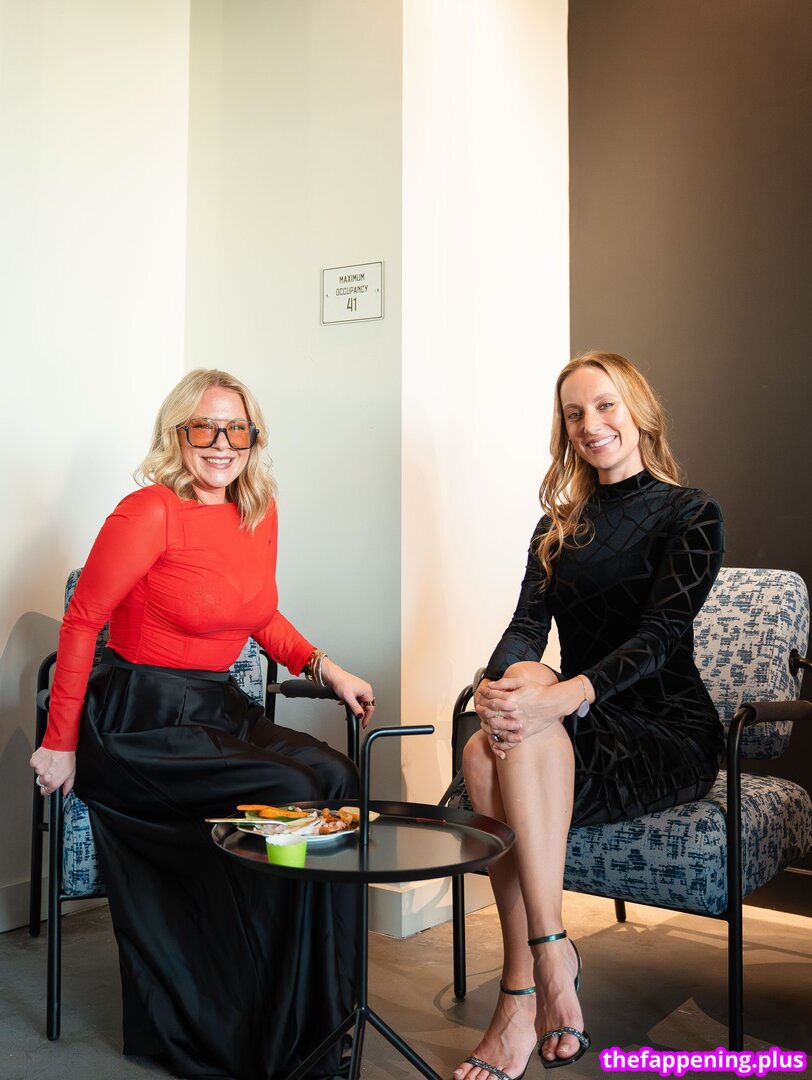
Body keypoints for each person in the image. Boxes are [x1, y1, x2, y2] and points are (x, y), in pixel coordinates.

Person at [30, 369, 376, 1080]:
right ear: (178, 434)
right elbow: (82, 622)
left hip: (217, 705)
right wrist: (58, 742)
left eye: (236, 429)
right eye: (205, 428)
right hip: (140, 718)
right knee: (289, 790)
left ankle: (324, 1013)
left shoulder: (259, 510)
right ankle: (265, 1026)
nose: (221, 444)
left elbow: (260, 615)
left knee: (336, 776)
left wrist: (325, 667)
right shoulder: (148, 512)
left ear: (253, 438)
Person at [455, 352, 725, 1078]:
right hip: (575, 728)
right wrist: (497, 686)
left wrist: (564, 693)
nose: (591, 424)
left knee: (496, 744)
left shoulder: (690, 513)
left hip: (666, 731)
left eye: (605, 405)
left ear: (638, 410)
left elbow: (660, 636)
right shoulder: (559, 524)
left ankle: (526, 985)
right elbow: (525, 625)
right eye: (574, 413)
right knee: (497, 722)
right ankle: (549, 961)